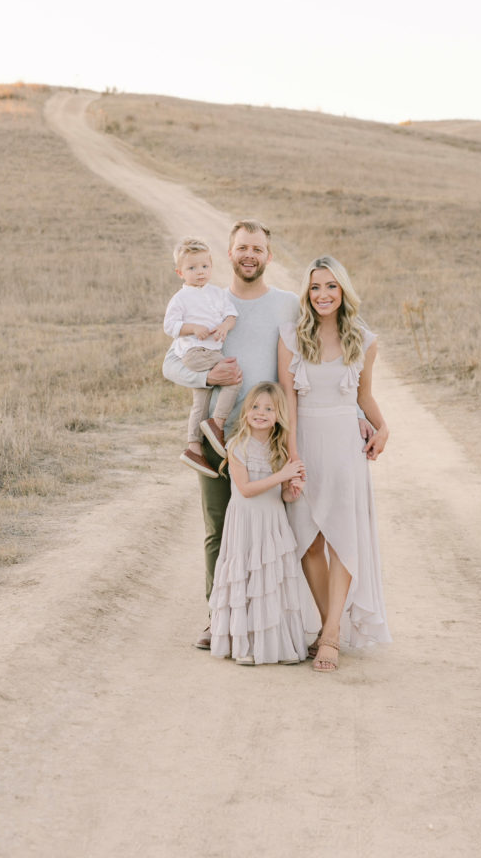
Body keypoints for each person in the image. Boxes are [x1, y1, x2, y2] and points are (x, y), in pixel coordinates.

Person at [162, 219, 299, 649]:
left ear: (268, 257)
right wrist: (208, 379)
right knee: (218, 527)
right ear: (230, 253)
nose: (249, 255)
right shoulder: (207, 300)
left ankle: (268, 619)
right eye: (242, 247)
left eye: (257, 248)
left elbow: (304, 369)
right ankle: (217, 618)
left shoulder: (287, 304)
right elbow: (170, 364)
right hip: (218, 437)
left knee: (275, 529)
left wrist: (355, 411)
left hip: (268, 438)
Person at [278, 255, 391, 673]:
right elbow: (288, 399)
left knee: (342, 538)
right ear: (306, 295)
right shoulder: (290, 336)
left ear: (343, 291)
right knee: (308, 540)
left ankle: (328, 636)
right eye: (314, 287)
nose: (322, 294)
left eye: (330, 286)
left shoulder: (363, 340)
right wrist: (291, 455)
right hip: (304, 440)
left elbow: (364, 397)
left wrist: (383, 428)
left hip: (345, 446)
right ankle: (333, 625)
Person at [209, 382, 308, 665]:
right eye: (254, 407)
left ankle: (276, 646)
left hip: (272, 522)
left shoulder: (279, 449)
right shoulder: (237, 445)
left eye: (268, 408)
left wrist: (292, 490)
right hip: (246, 522)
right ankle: (246, 646)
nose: (260, 413)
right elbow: (247, 489)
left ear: (279, 415)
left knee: (270, 582)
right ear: (245, 411)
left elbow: (284, 495)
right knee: (247, 580)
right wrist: (283, 475)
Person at [164, 237, 240, 477]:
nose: (199, 273)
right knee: (233, 376)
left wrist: (225, 327)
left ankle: (193, 447)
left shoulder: (217, 293)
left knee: (200, 400)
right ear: (180, 272)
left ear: (211, 266)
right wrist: (192, 328)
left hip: (211, 350)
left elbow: (231, 315)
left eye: (204, 267)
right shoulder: (181, 298)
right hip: (195, 352)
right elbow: (170, 326)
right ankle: (216, 423)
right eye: (192, 268)